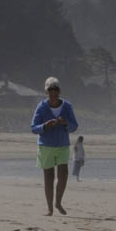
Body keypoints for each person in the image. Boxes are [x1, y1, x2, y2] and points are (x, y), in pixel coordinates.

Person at [30, 76, 78, 215]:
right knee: (49, 178)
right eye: (50, 90)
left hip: (62, 144)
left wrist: (65, 124)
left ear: (60, 91)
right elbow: (33, 127)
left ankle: (58, 202)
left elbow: (74, 126)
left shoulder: (67, 106)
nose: (53, 92)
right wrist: (44, 126)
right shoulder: (42, 106)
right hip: (46, 145)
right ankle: (50, 208)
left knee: (63, 176)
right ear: (46, 92)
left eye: (55, 89)